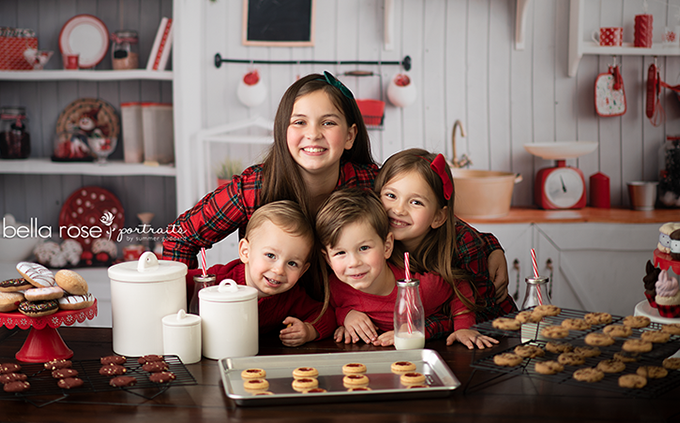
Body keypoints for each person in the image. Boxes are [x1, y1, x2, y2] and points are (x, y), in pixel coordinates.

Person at [162, 71, 508, 315]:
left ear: (350, 136)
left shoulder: (367, 183)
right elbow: (180, 236)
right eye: (299, 122)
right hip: (264, 325)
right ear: (283, 132)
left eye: (327, 122)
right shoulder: (255, 188)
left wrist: (488, 246)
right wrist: (181, 312)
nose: (313, 134)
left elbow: (420, 215)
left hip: (343, 324)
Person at [316, 188, 497, 349]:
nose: (353, 263)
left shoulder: (417, 288)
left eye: (364, 248)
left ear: (387, 246)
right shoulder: (335, 285)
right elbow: (332, 307)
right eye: (340, 253)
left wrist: (464, 328)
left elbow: (457, 285)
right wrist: (345, 316)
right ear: (328, 259)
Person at [375, 148, 517, 325]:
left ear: (438, 217)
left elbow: (483, 314)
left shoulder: (464, 246)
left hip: (501, 332)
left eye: (416, 202)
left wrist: (422, 327)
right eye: (391, 195)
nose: (398, 209)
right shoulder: (374, 242)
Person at [204, 201, 335, 347]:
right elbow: (179, 282)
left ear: (303, 271)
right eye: (271, 255)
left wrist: (309, 331)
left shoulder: (290, 296)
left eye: (292, 263)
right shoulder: (216, 280)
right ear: (245, 252)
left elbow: (326, 314)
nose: (279, 270)